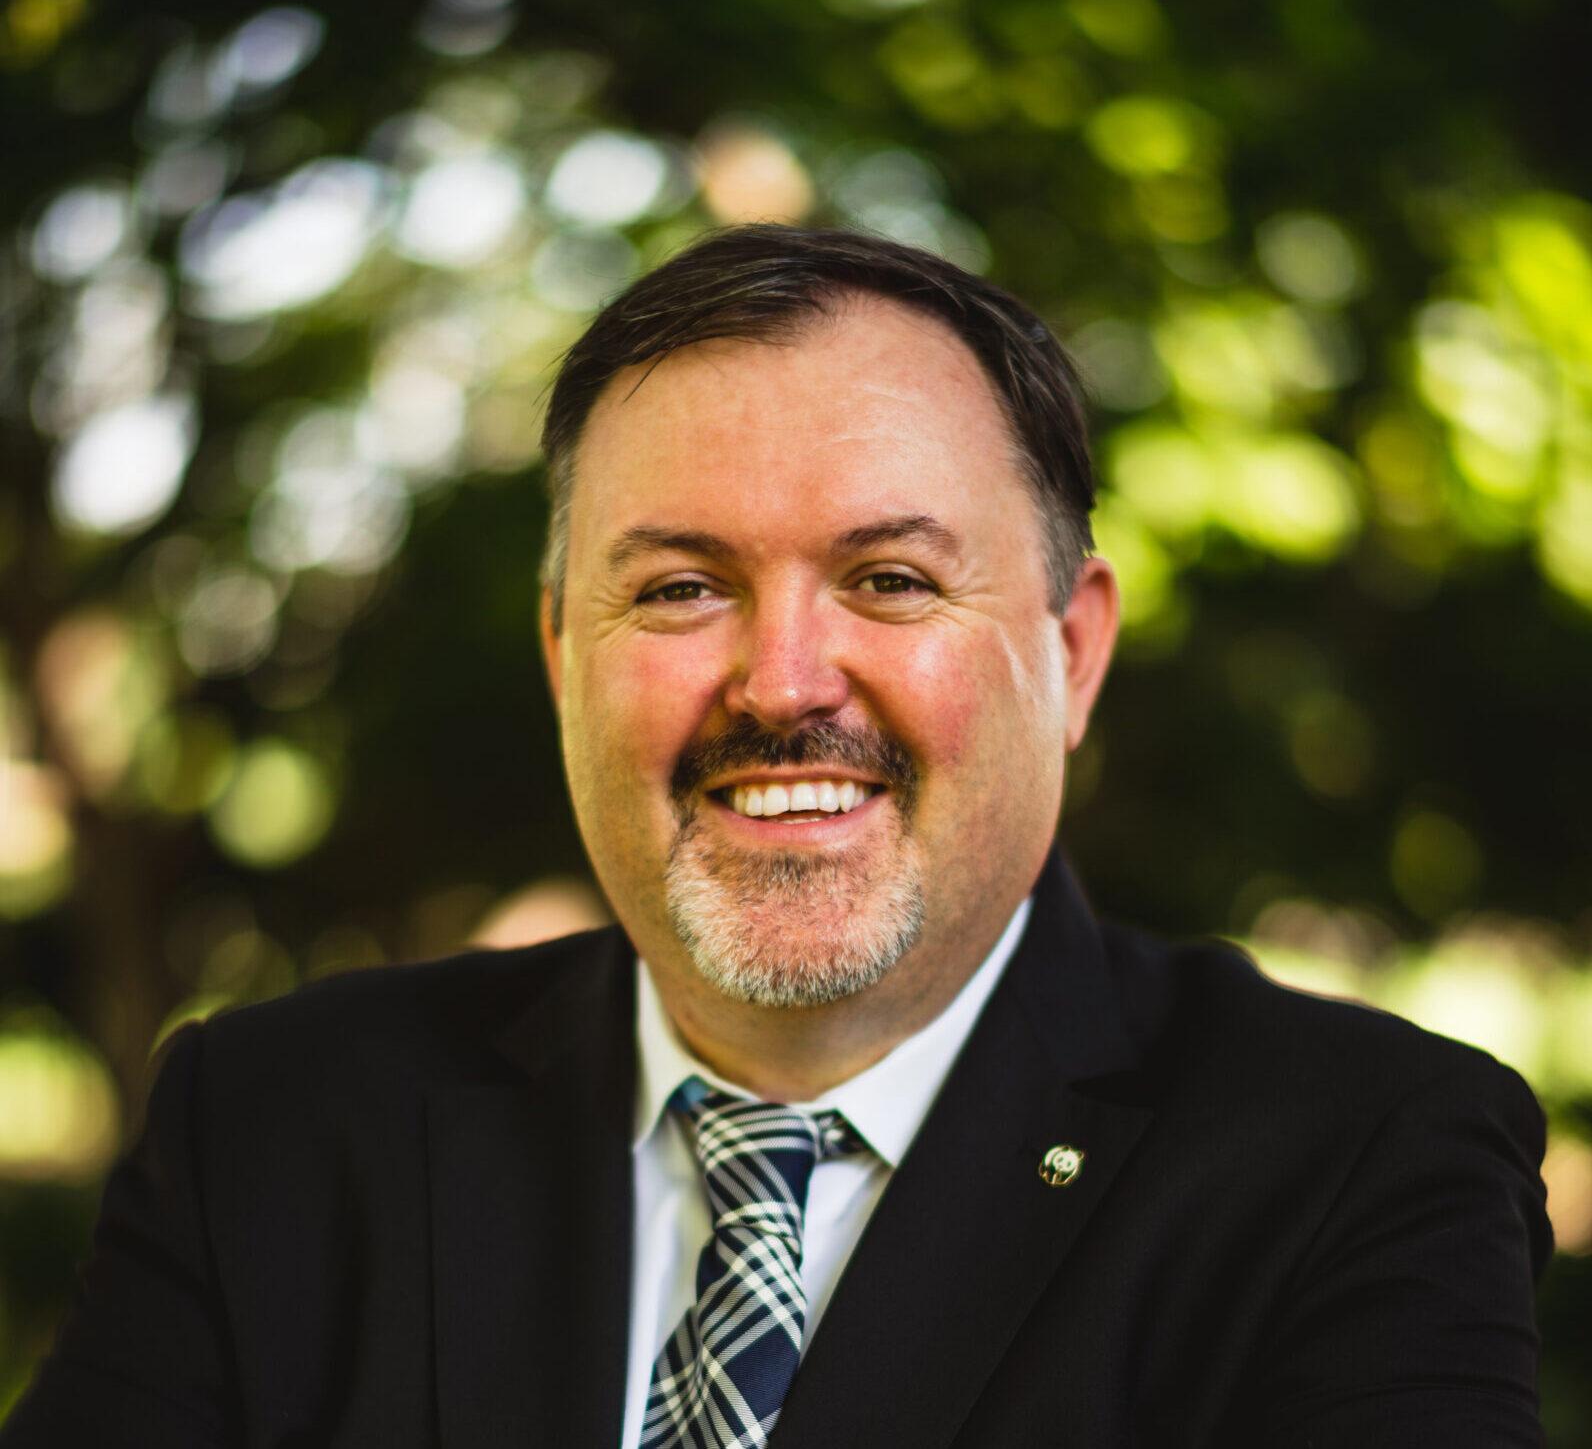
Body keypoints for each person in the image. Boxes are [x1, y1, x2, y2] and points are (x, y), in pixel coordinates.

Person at [3, 226, 1551, 1448]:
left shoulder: (1360, 1163)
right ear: (563, 657)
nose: (784, 683)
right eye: (680, 587)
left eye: (890, 579)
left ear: (1071, 654)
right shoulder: (271, 1124)